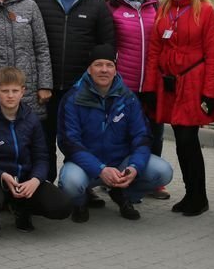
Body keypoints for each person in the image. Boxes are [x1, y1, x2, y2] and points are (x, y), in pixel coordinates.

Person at [142, 0, 214, 216]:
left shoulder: (206, 11)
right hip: (169, 84)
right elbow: (155, 49)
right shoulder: (164, 9)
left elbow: (213, 54)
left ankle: (199, 196)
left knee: (188, 141)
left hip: (193, 83)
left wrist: (210, 92)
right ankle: (191, 193)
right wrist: (150, 87)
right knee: (179, 141)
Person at [58, 45, 174, 222]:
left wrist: (134, 167)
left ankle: (122, 194)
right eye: (98, 64)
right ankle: (80, 203)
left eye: (109, 65)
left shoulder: (128, 98)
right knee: (70, 183)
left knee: (163, 172)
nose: (104, 70)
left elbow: (142, 137)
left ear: (115, 68)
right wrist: (100, 169)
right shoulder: (73, 99)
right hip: (87, 167)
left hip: (121, 165)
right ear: (89, 69)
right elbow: (69, 143)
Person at [31, 0, 115, 183]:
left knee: (81, 140)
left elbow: (107, 45)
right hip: (45, 88)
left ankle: (81, 189)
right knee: (43, 140)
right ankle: (45, 186)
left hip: (82, 89)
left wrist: (97, 81)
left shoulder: (96, 3)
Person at [0, 67, 72, 239]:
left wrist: (35, 180)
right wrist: (1, 175)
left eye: (15, 90)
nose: (10, 95)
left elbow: (42, 158)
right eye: (5, 91)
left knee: (62, 205)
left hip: (25, 179)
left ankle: (23, 209)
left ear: (23, 91)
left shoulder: (33, 121)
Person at [105, 0, 167, 199]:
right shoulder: (112, 6)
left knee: (155, 131)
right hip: (124, 83)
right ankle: (120, 178)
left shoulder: (154, 4)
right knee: (124, 132)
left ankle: (153, 181)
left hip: (153, 82)